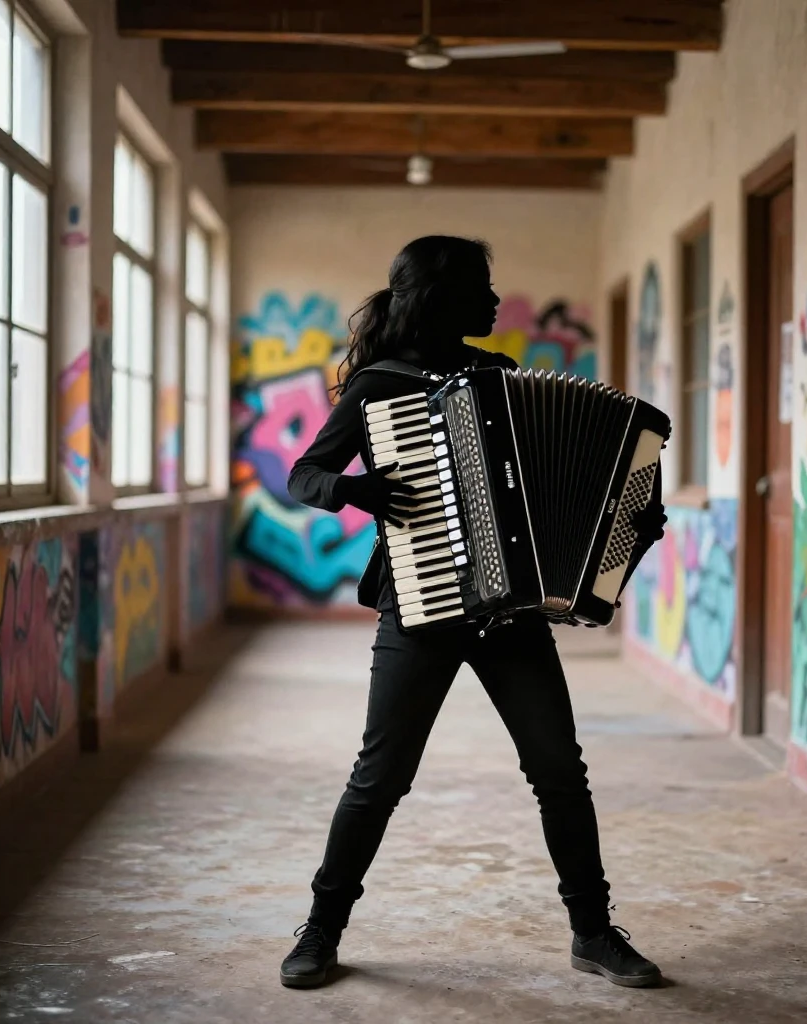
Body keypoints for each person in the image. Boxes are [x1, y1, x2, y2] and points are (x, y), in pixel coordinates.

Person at [281, 236, 668, 990]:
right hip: (419, 608)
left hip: (510, 615)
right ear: (442, 298)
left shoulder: (499, 376)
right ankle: (321, 930)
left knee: (560, 771)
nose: (494, 301)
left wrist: (623, 523)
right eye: (482, 288)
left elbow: (552, 496)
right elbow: (305, 473)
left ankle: (592, 932)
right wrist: (352, 492)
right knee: (380, 777)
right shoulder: (377, 387)